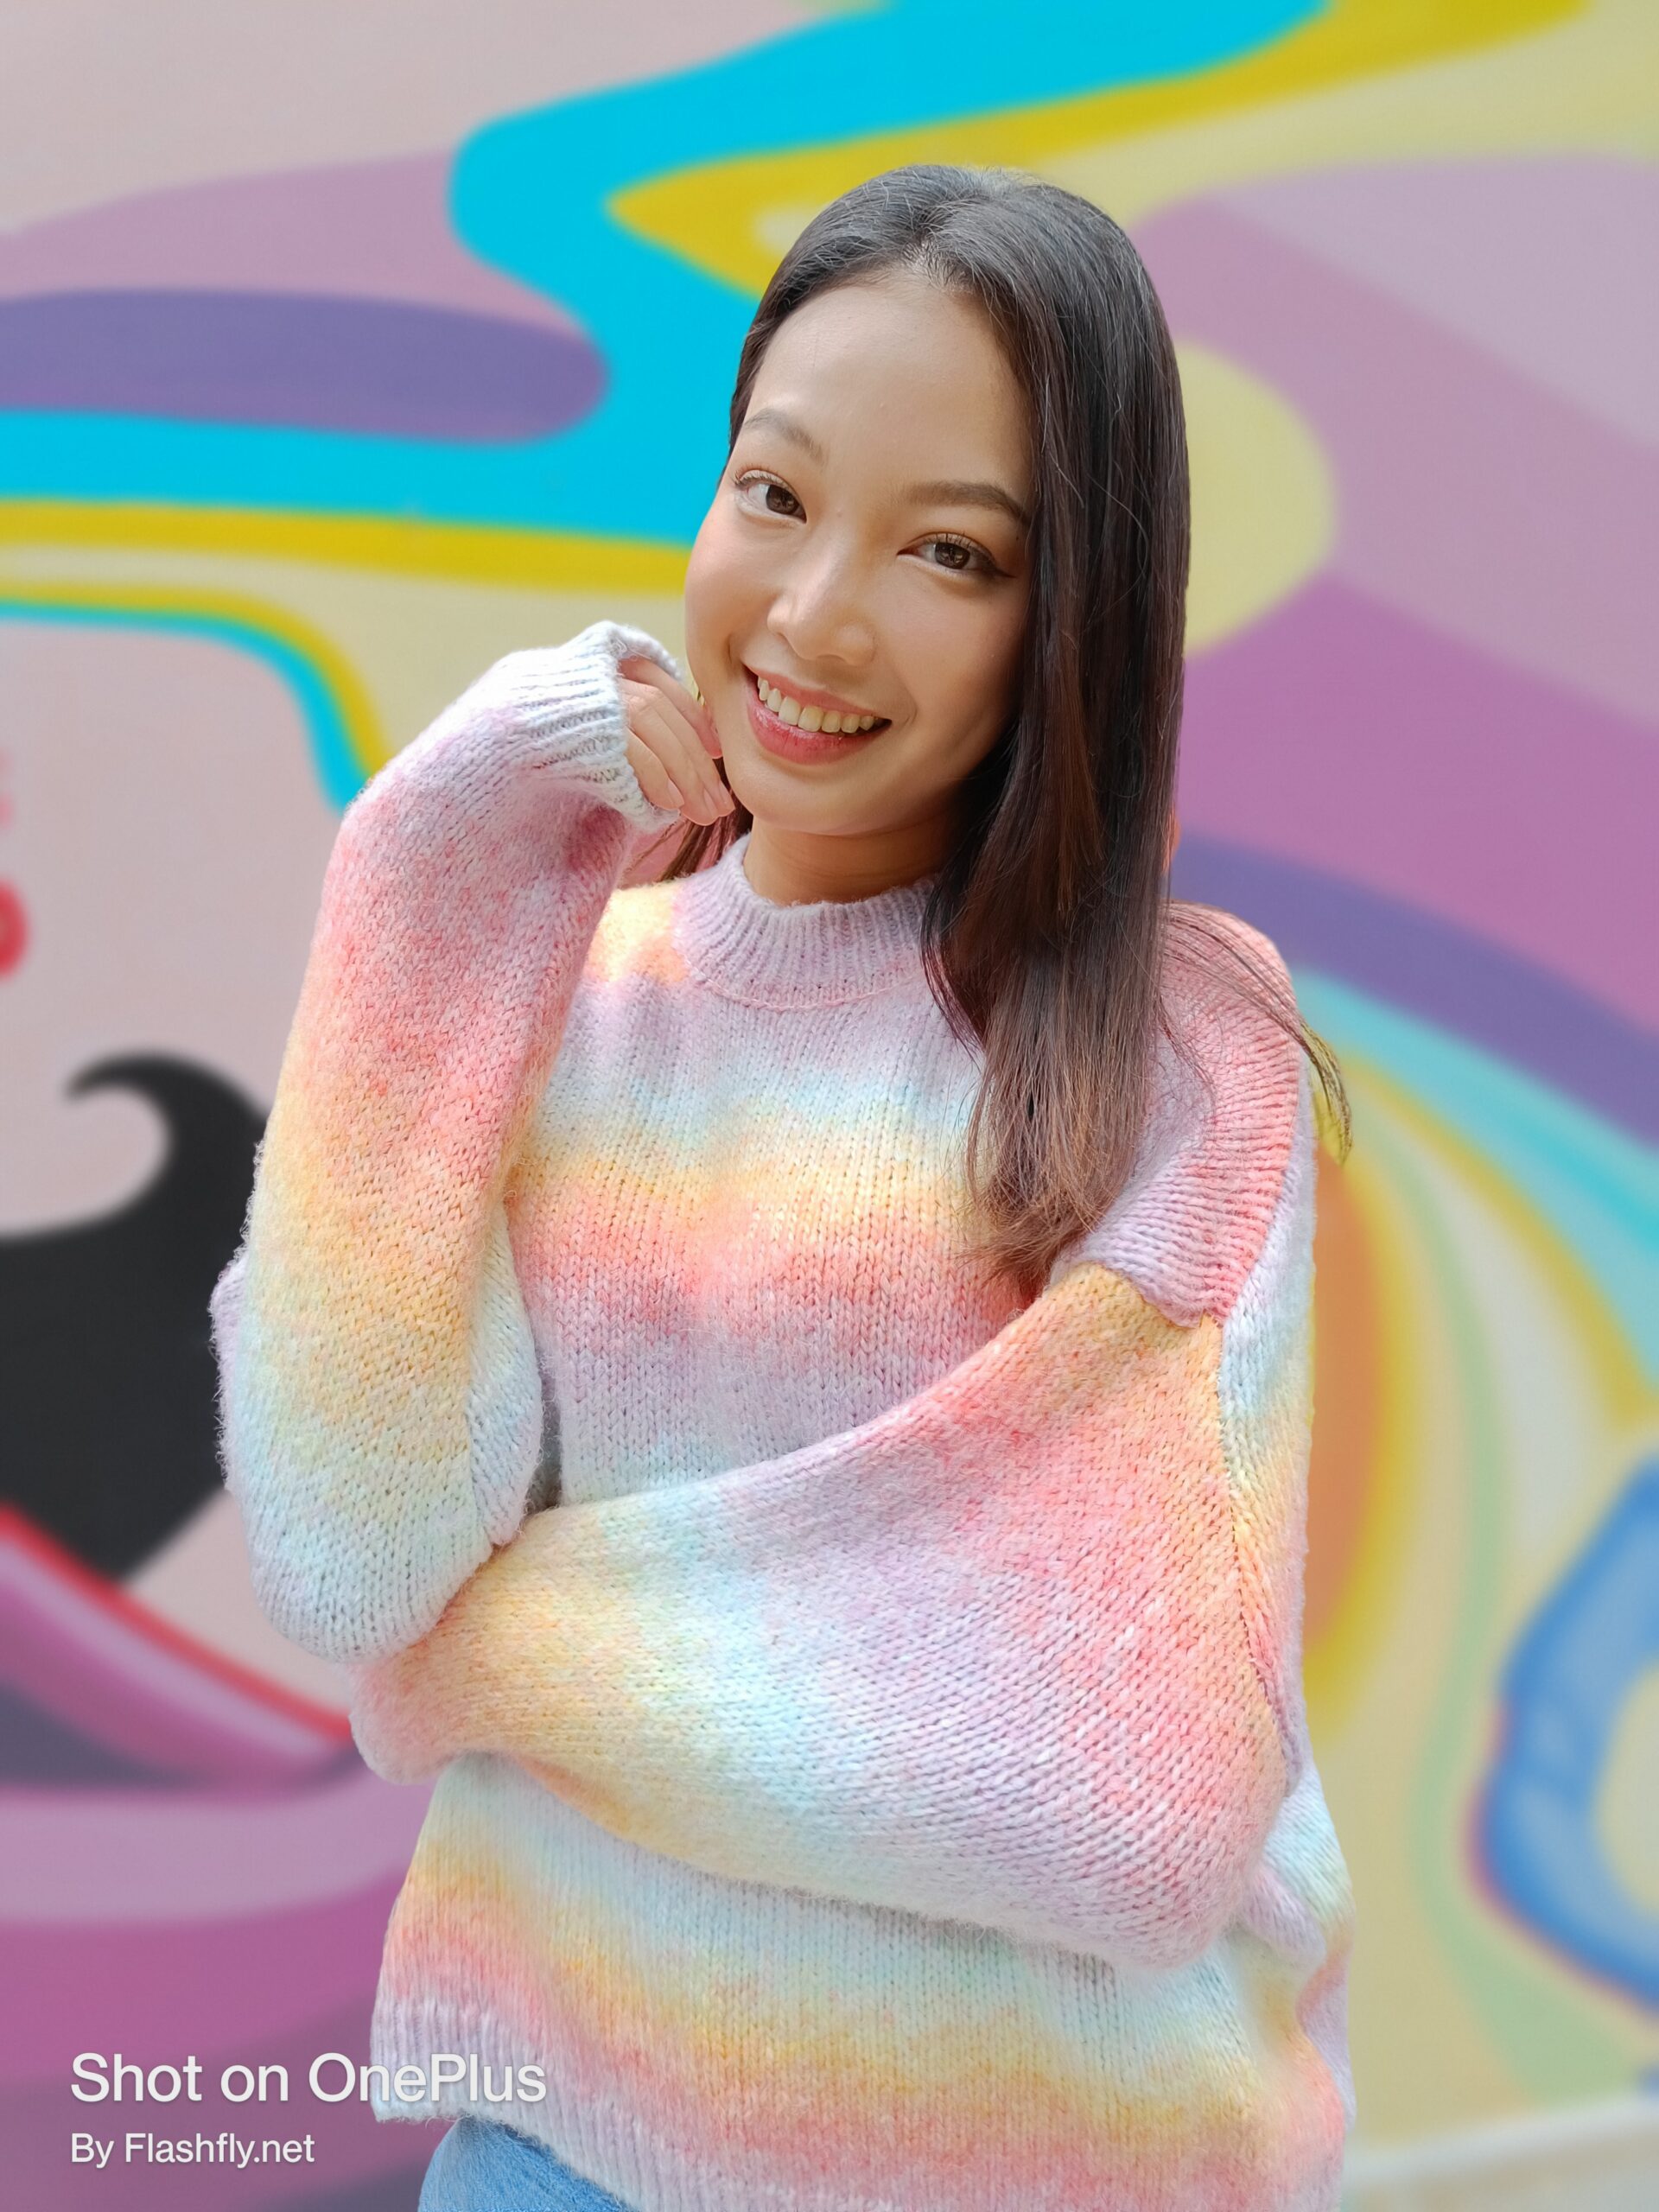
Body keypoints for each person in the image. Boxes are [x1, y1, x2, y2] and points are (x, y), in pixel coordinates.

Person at [210, 164, 1357, 2211]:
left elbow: (1122, 1784)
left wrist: (486, 1658)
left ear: (1071, 613)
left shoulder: (1179, 1049)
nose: (816, 614)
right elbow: (353, 1549)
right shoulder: (556, 996)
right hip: (560, 2148)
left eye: (950, 550)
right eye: (775, 493)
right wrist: (432, 852)